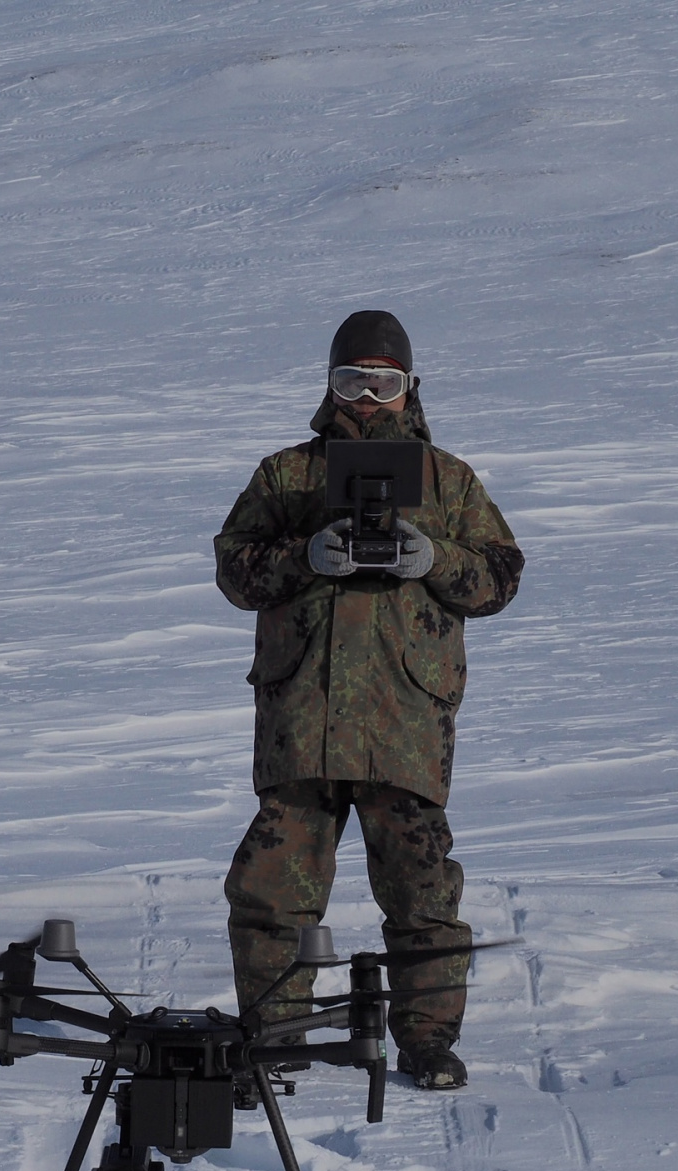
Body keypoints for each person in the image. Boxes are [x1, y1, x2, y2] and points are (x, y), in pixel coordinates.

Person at [213, 309, 524, 1090]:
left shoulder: (447, 480)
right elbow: (234, 572)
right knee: (271, 892)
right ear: (327, 385)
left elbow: (498, 578)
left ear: (409, 387)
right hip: (302, 725)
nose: (364, 398)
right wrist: (304, 554)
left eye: (381, 383)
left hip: (403, 723)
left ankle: (426, 1041)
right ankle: (274, 1036)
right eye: (349, 380)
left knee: (421, 891)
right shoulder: (286, 476)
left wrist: (434, 559)